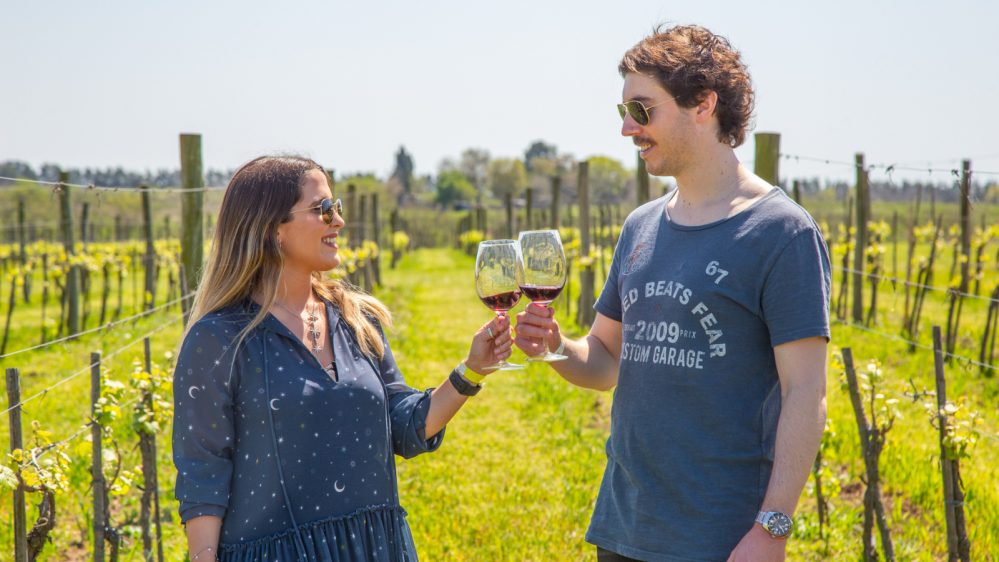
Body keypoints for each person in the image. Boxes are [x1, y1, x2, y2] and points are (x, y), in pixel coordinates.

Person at [514, 25, 831, 562]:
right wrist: (556, 347)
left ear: (703, 104)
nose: (625, 129)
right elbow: (607, 358)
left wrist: (772, 528)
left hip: (721, 538)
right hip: (624, 525)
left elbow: (805, 392)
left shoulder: (781, 232)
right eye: (623, 112)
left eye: (642, 110)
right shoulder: (639, 226)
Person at [173, 155, 511, 562]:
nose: (339, 221)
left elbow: (402, 425)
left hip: (373, 547)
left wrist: (472, 370)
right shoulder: (218, 339)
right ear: (271, 229)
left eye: (337, 208)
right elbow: (203, 475)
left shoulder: (356, 319)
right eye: (323, 209)